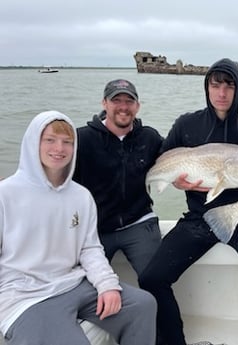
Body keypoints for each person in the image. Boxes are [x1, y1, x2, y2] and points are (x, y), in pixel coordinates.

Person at [138, 58, 238, 345]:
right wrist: (175, 181)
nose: (222, 93)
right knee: (151, 279)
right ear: (207, 88)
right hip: (198, 219)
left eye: (229, 86)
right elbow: (163, 162)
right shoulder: (186, 125)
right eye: (215, 85)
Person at [0, 110, 157, 345]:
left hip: (73, 283)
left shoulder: (80, 196)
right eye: (50, 140)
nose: (59, 148)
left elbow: (90, 248)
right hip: (25, 296)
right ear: (34, 142)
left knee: (142, 305)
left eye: (67, 142)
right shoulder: (6, 194)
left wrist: (107, 286)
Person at [73, 79, 164, 278]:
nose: (123, 107)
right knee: (80, 284)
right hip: (95, 228)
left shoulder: (150, 138)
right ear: (104, 103)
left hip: (139, 222)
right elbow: (55, 178)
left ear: (137, 106)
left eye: (129, 101)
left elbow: (175, 163)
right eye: (117, 100)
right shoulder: (82, 139)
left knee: (157, 279)